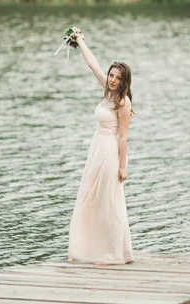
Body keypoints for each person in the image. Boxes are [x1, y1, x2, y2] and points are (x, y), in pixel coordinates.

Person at [67, 28, 134, 265]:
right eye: (111, 75)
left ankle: (112, 252)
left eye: (117, 77)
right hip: (95, 150)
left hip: (110, 153)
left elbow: (123, 137)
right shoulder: (106, 92)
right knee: (91, 199)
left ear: (124, 81)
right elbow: (92, 64)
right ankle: (91, 248)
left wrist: (123, 166)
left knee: (109, 201)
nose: (113, 79)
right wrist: (80, 41)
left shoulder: (123, 103)